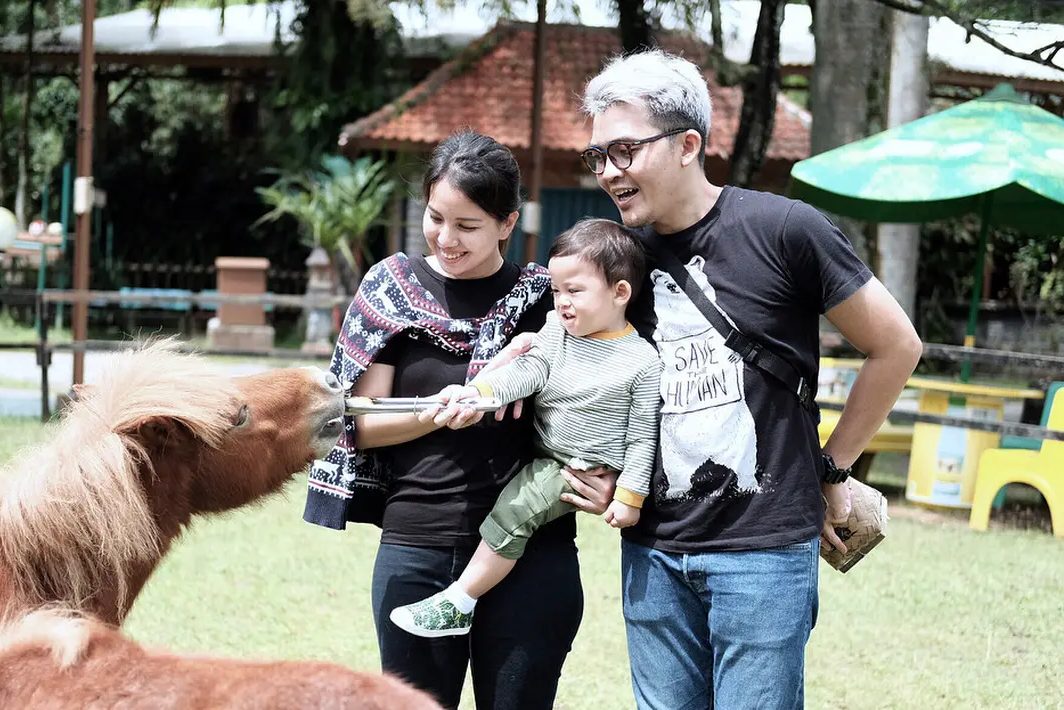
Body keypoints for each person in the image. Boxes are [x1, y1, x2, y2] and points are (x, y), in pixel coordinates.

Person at [578, 49, 923, 709]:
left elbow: (895, 346)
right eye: (598, 156)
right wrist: (594, 466)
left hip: (764, 552)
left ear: (687, 145)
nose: (608, 172)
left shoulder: (784, 230)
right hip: (651, 550)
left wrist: (833, 467)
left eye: (623, 150)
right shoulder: (615, 259)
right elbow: (578, 371)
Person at [303, 130, 617, 710]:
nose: (446, 239)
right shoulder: (391, 289)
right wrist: (451, 408)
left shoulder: (548, 300)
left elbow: (614, 390)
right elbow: (358, 423)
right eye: (435, 218)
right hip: (417, 545)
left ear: (507, 223)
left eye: (467, 225)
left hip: (532, 553)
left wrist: (604, 477)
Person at [388, 218, 662, 639]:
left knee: (515, 510)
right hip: (544, 448)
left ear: (620, 292)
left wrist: (629, 497)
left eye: (574, 291)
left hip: (580, 466)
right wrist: (477, 393)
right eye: (556, 290)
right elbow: (527, 370)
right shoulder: (558, 331)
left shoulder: (642, 361)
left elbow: (643, 436)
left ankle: (460, 601)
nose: (562, 302)